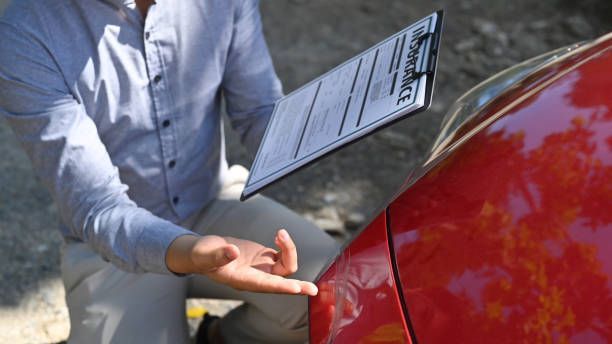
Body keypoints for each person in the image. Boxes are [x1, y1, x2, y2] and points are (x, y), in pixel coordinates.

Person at [0, 0, 338, 343]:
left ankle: (222, 337)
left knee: (344, 295)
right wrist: (191, 252)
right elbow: (98, 208)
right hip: (113, 246)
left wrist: (348, 116)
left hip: (211, 199)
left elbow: (258, 112)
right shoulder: (26, 32)